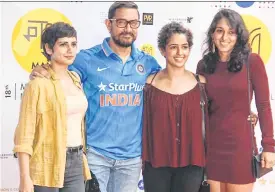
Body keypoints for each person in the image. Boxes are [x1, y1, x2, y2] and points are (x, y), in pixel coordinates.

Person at [29, 2, 161, 192]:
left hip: (131, 160)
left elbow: (170, 82)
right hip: (94, 155)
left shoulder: (148, 62)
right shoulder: (85, 58)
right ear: (109, 24)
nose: (128, 29)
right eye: (122, 22)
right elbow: (58, 74)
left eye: (134, 23)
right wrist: (40, 69)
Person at [196, 9, 275, 192]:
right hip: (211, 148)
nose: (225, 37)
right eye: (220, 30)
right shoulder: (204, 65)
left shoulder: (252, 62)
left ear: (239, 35)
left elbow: (264, 106)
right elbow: (201, 108)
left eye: (231, 32)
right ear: (212, 34)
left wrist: (269, 146)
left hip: (241, 147)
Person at [13, 22, 91, 192]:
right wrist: (25, 178)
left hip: (76, 161)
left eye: (73, 44)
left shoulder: (76, 79)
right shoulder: (37, 85)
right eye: (63, 44)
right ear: (49, 49)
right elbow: (24, 136)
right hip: (45, 161)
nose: (70, 50)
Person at [142, 22, 207, 192]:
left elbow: (216, 115)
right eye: (173, 47)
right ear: (163, 50)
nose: (180, 53)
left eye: (184, 47)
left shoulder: (201, 84)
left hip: (192, 164)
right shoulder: (149, 84)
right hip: (156, 164)